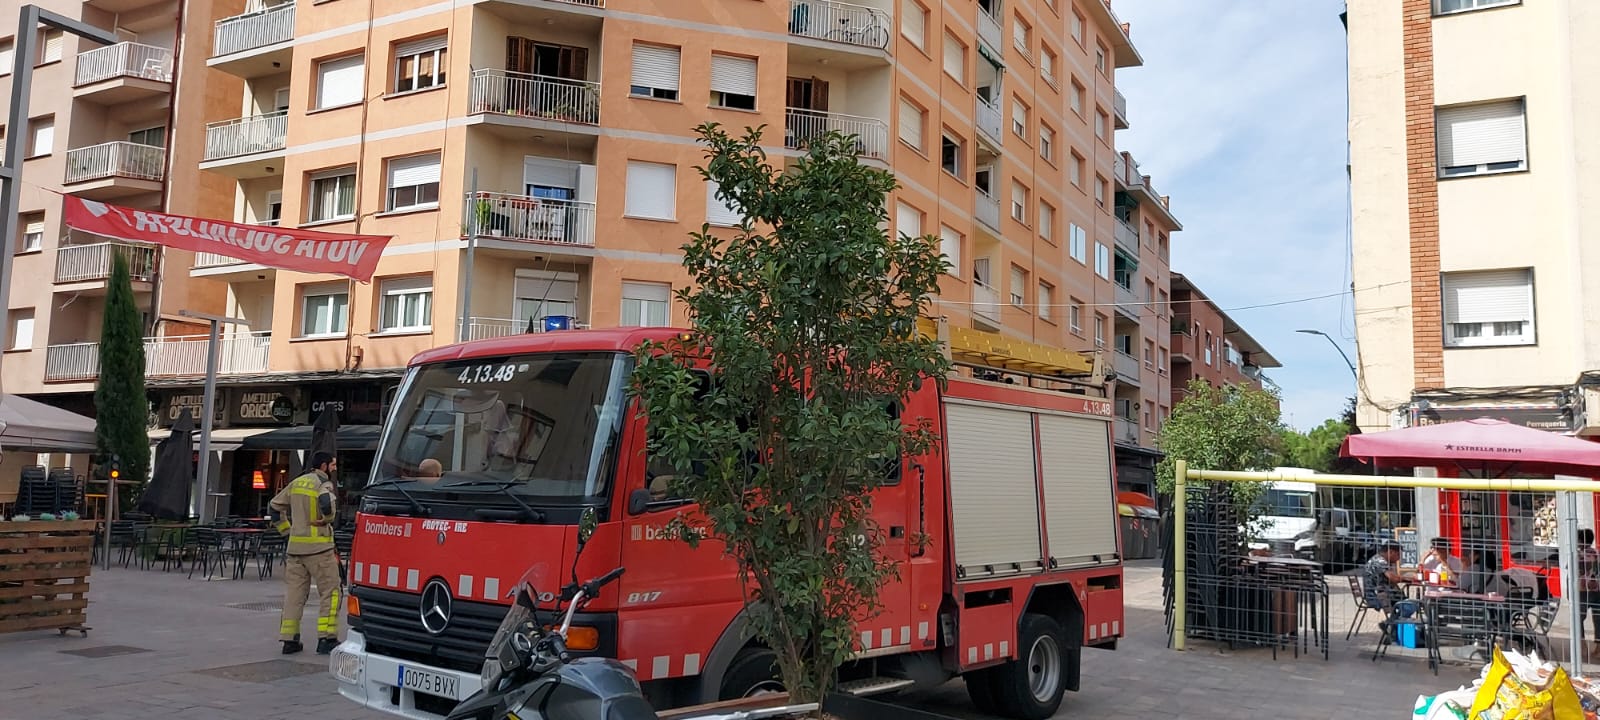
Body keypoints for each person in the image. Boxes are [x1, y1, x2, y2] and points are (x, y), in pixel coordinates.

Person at [270, 452, 342, 655]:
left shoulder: (296, 483)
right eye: (333, 465)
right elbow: (327, 503)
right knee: (331, 592)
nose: (335, 468)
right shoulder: (323, 483)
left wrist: (286, 532)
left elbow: (275, 507)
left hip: (295, 550)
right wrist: (327, 519)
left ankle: (289, 640)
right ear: (324, 466)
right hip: (319, 549)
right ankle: (327, 638)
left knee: (294, 595)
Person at [1363, 541, 1410, 613]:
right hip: (1376, 596)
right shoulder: (1380, 561)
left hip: (1381, 593)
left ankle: (1393, 621)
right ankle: (1393, 622)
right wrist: (1409, 579)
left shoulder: (1379, 559)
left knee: (1407, 604)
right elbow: (1393, 578)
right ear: (1390, 552)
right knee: (1409, 606)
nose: (1399, 558)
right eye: (1398, 555)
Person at [1580, 528, 1600, 653]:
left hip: (1582, 590)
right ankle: (1599, 647)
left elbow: (1574, 571)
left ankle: (1582, 646)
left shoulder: (1578, 554)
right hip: (1597, 590)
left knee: (1578, 618)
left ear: (1581, 541)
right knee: (1598, 618)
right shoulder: (1597, 553)